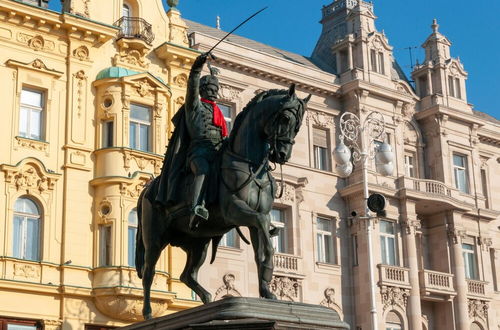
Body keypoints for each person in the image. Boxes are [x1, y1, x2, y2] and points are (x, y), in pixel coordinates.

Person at [154, 53, 228, 230]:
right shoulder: (195, 105)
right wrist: (197, 66)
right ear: (202, 89)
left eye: (215, 88)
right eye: (209, 87)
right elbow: (192, 85)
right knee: (202, 170)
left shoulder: (217, 111)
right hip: (198, 152)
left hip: (217, 150)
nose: (213, 91)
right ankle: (196, 207)